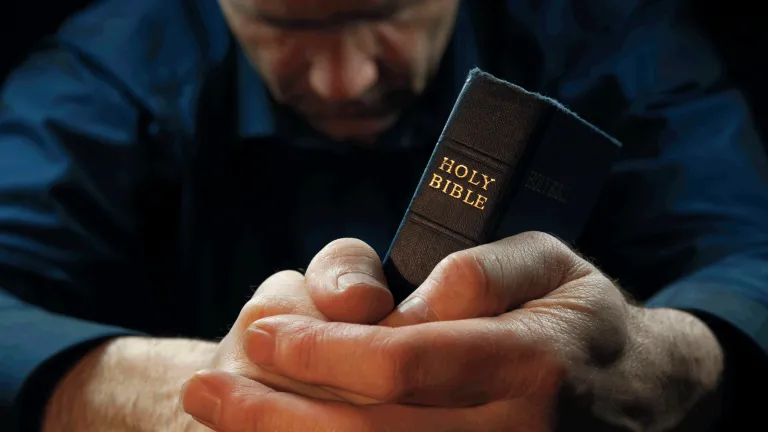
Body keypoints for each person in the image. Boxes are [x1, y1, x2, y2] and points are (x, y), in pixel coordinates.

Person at [1, 0, 767, 430]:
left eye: (387, 11)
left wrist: (655, 362)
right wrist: (180, 393)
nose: (346, 79)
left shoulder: (613, 34)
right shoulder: (114, 62)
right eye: (284, 27)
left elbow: (751, 256)